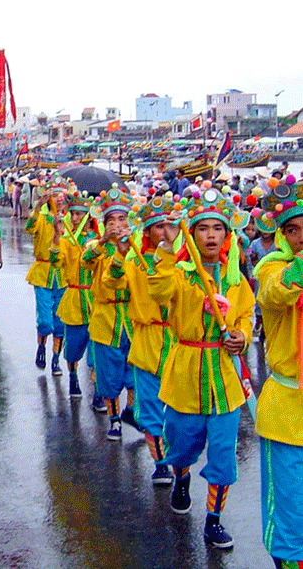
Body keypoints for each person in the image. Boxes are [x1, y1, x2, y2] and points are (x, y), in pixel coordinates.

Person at [147, 187, 254, 548]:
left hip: (224, 376)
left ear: (227, 234)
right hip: (186, 370)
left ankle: (213, 519)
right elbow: (158, 292)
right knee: (181, 443)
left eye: (218, 228)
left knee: (224, 454)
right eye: (203, 228)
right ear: (192, 234)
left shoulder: (235, 276)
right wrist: (165, 248)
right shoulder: (179, 273)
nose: (211, 235)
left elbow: (246, 315)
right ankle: (181, 476)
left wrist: (241, 335)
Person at [104, 193, 178, 483]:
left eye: (169, 226)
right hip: (147, 338)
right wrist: (121, 254)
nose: (165, 231)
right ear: (147, 232)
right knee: (149, 406)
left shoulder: (181, 263)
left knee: (179, 409)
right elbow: (111, 282)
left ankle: (178, 465)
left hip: (177, 339)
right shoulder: (133, 261)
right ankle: (160, 463)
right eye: (159, 227)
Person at [249, 180, 303, 568]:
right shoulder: (272, 266)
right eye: (294, 229)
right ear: (280, 234)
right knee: (288, 510)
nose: (302, 236)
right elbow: (275, 294)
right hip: (287, 410)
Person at [81, 185, 136, 439]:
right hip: (106, 318)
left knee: (135, 371)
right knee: (109, 374)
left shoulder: (136, 246)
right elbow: (86, 262)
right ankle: (114, 420)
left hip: (132, 317)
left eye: (122, 219)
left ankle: (131, 411)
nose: (117, 224)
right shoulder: (97, 245)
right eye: (111, 220)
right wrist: (103, 241)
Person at [49, 188, 96, 398]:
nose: (75, 218)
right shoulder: (67, 240)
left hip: (96, 299)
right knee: (73, 346)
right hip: (75, 297)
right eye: (73, 213)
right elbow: (55, 262)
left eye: (79, 214)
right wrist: (57, 235)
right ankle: (73, 377)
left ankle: (97, 392)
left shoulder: (98, 240)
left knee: (97, 351)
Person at [25, 181, 68, 374]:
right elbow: (29, 227)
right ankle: (41, 346)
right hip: (43, 273)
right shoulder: (41, 217)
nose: (59, 199)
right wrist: (37, 207)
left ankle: (56, 358)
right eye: (56, 195)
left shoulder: (71, 221)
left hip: (64, 276)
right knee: (45, 321)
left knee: (60, 323)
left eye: (62, 196)